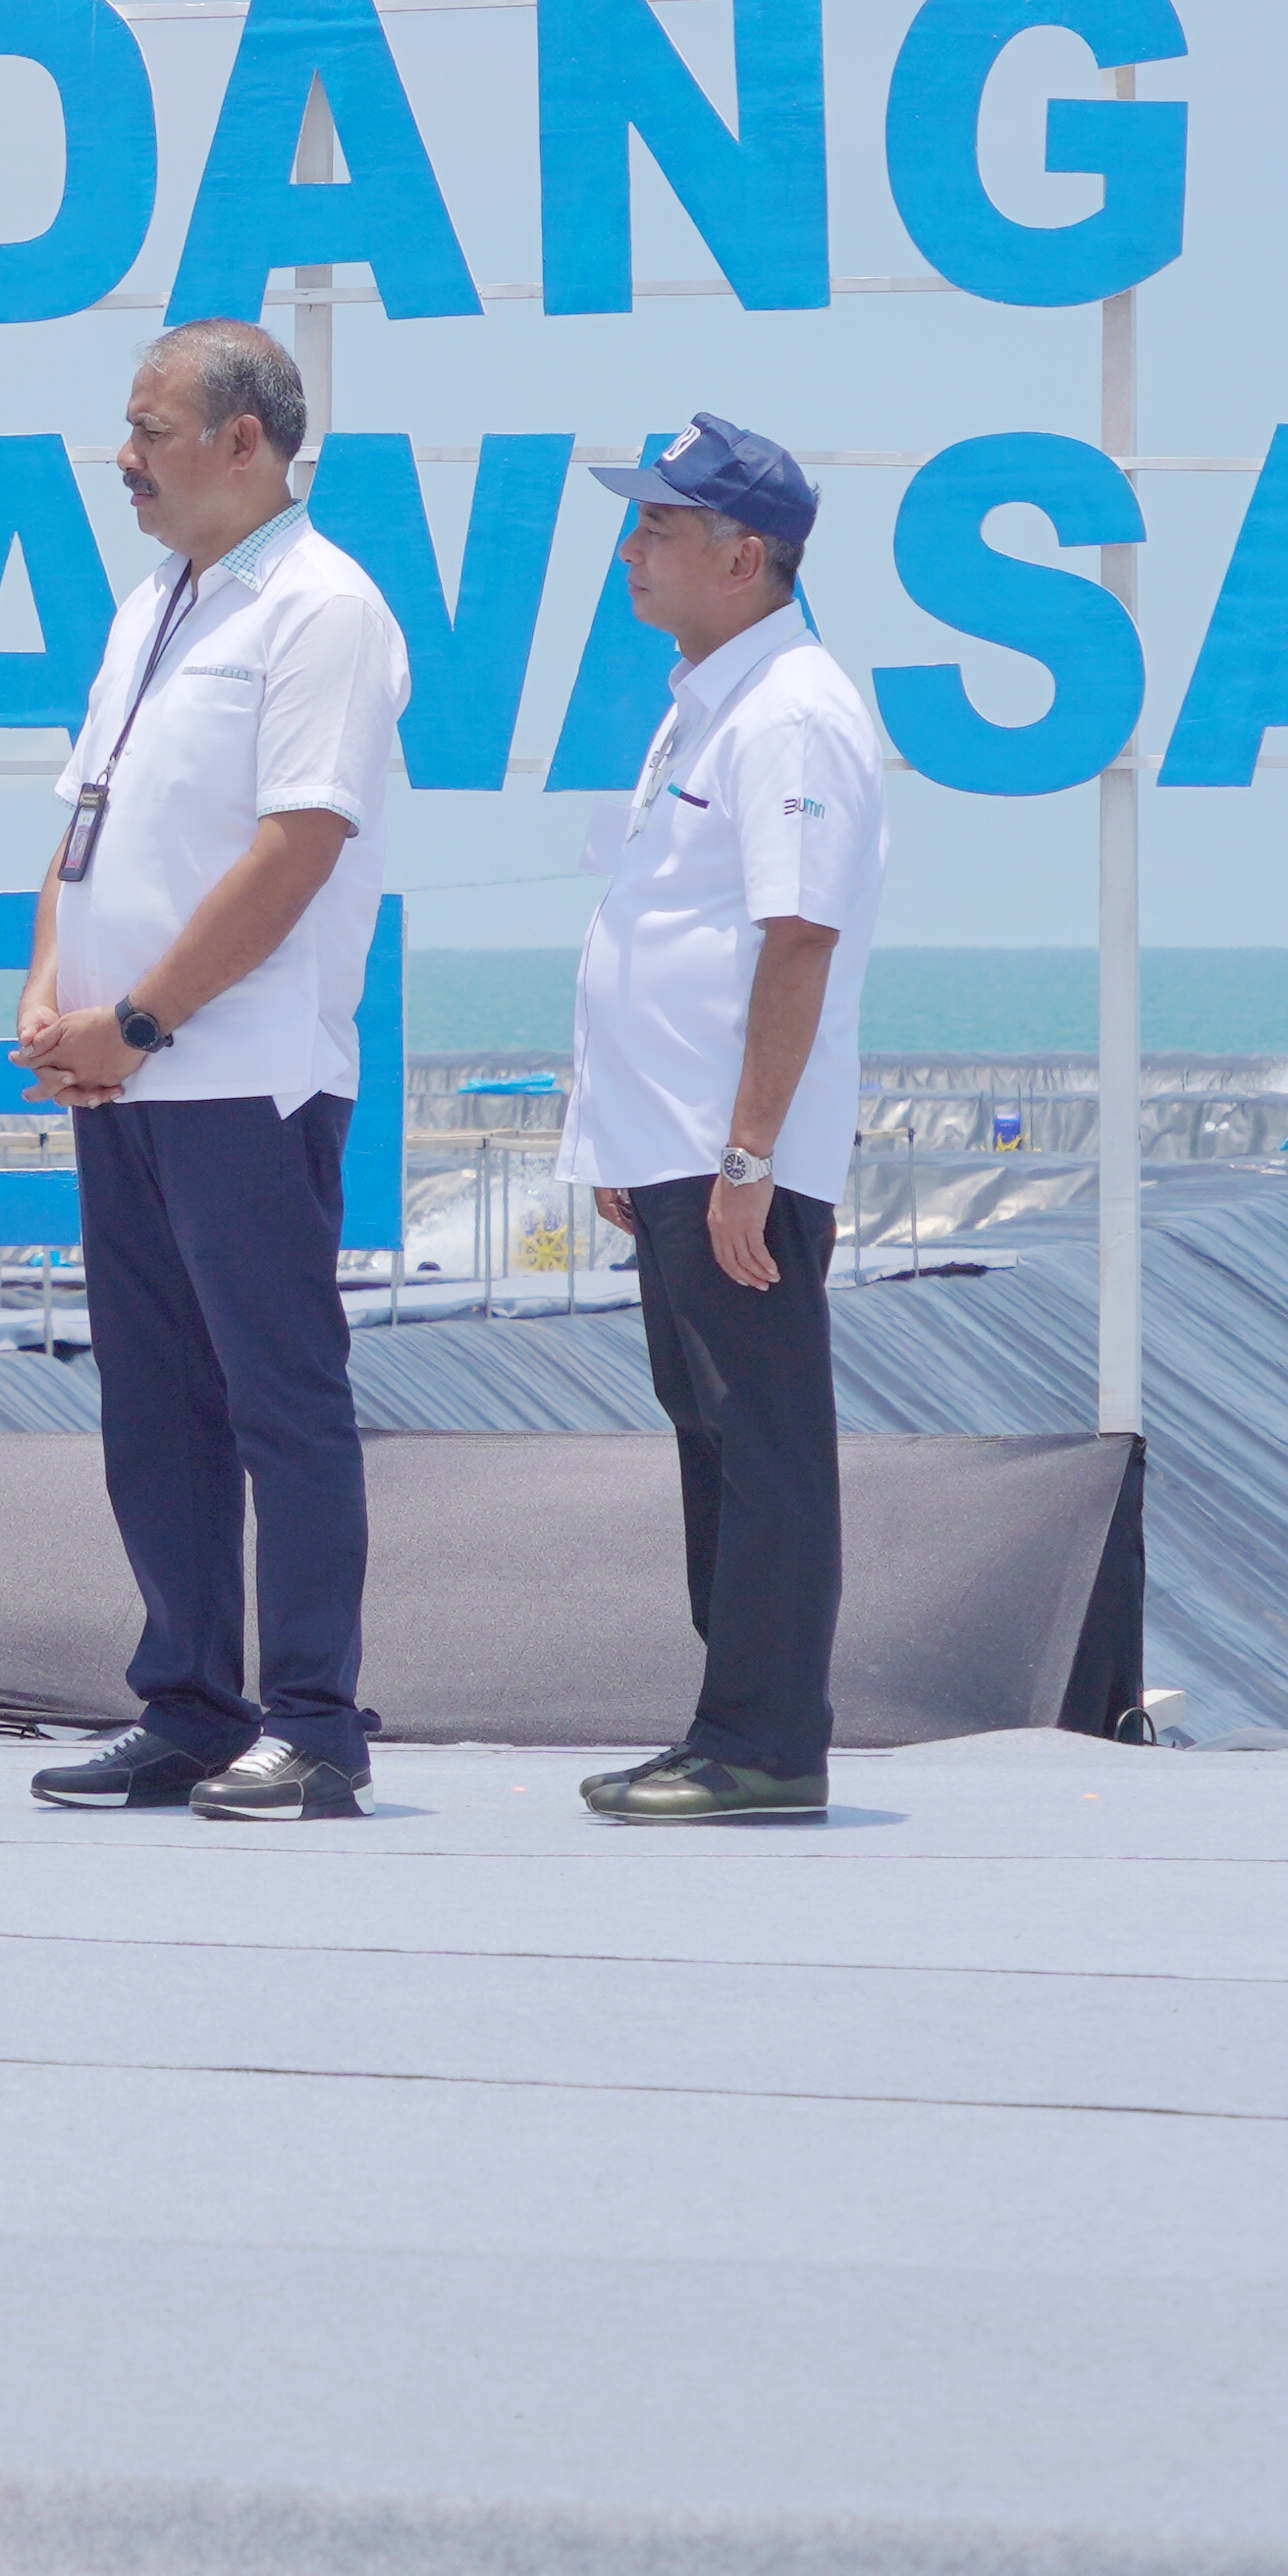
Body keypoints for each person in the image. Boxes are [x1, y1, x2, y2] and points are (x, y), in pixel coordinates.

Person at [11, 321, 411, 1824]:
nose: (123, 457)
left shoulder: (322, 609)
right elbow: (83, 818)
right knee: (153, 1406)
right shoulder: (154, 605)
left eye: (150, 429)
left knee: (279, 1404)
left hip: (240, 1075)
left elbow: (298, 846)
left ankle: (312, 1722)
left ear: (246, 443)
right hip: (127, 1079)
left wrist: (147, 1018)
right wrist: (57, 989)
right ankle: (190, 1703)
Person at [558, 414, 884, 1825]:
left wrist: (748, 1155)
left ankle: (766, 1743)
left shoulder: (791, 710)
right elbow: (655, 930)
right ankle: (727, 1726)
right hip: (683, 1147)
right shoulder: (712, 697)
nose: (631, 551)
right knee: (712, 1433)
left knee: (760, 1445)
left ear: (744, 556)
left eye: (660, 528)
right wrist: (623, 1141)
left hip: (735, 1153)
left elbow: (796, 937)